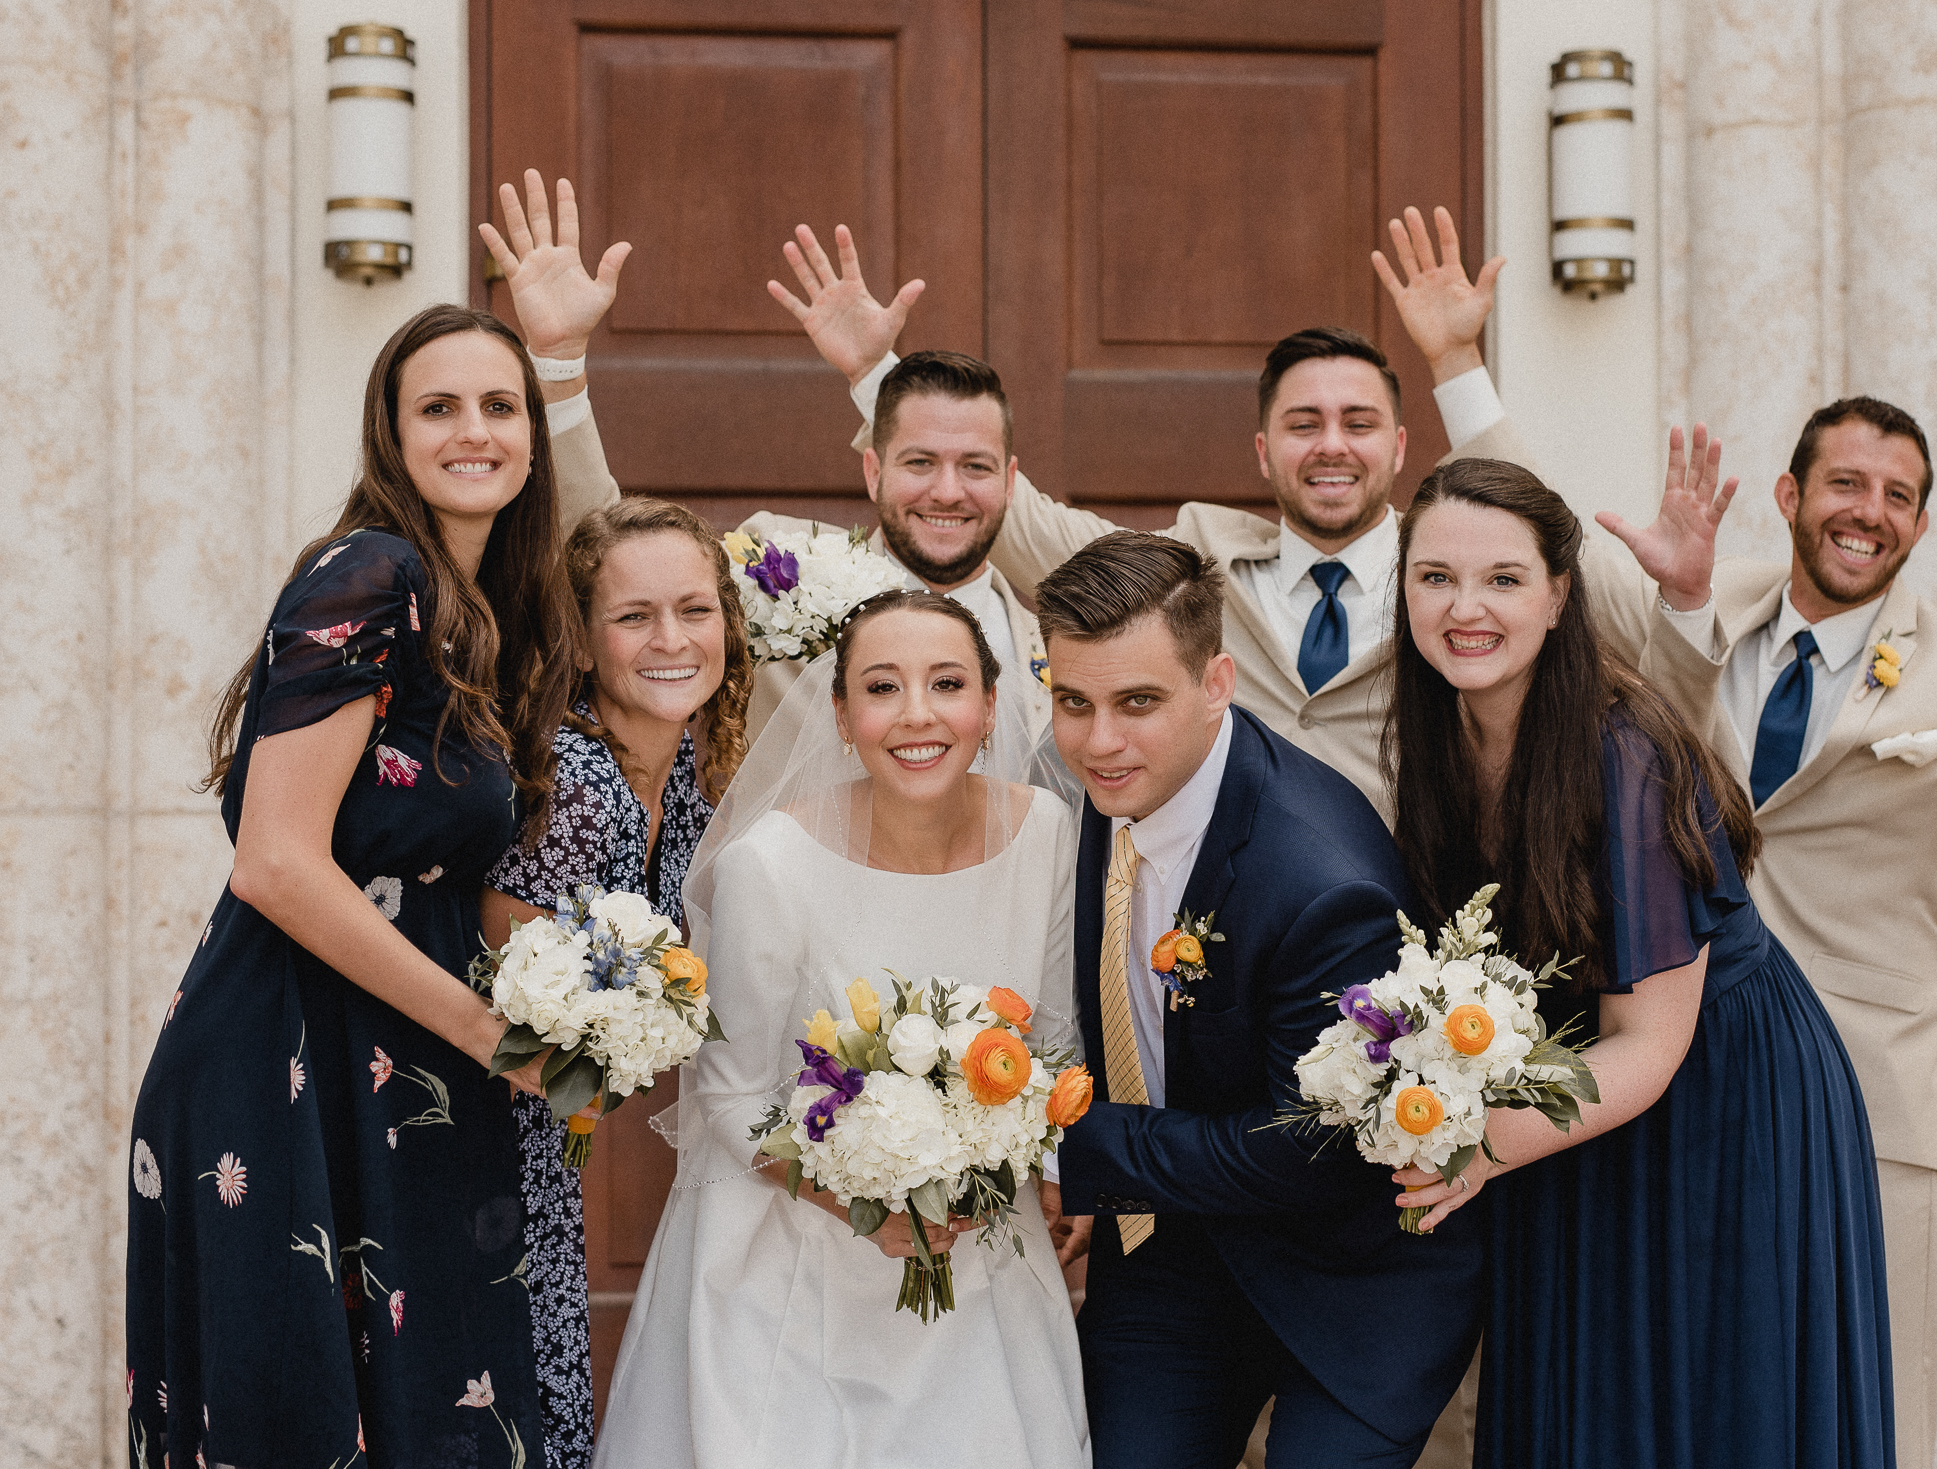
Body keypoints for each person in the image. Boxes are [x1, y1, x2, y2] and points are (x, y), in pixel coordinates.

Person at [1379, 201, 1937, 1469]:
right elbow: (1504, 542)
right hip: (1633, 1069)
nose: (1866, 511)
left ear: (1920, 524)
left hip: (1833, 1085)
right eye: (1844, 485)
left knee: (1829, 1408)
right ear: (1792, 494)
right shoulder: (1683, 599)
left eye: (1898, 496)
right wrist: (1452, 364)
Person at [538, 219, 1722, 825]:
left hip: (1397, 931)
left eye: (1360, 422)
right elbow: (981, 495)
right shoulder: (1186, 558)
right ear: (1262, 451)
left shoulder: (1459, 582)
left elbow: (1598, 605)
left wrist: (1461, 366)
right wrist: (876, 374)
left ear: (1403, 450)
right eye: (1303, 423)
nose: (1331, 444)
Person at [125, 304, 581, 1466]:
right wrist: (488, 1031)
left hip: (401, 1059)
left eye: (499, 405)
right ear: (390, 432)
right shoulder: (370, 572)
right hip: (287, 1054)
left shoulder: (484, 617)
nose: (472, 431)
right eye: (438, 407)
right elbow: (276, 859)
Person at [1387, 458, 1896, 1467]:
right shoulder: (1439, 736)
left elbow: (1652, 1043)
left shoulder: (1624, 753)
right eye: (1435, 576)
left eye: (1501, 578)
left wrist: (1471, 1143)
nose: (1465, 607)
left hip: (1724, 1097)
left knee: (1707, 1407)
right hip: (1582, 1095)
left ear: (1558, 594)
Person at [590, 591, 1087, 1468]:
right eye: (883, 687)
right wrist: (857, 1200)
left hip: (980, 1246)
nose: (918, 715)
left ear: (991, 703)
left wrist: (1043, 1167)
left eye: (946, 683)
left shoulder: (1044, 830)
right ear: (842, 715)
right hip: (792, 1253)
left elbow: (1052, 1042)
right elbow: (731, 1094)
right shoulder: (769, 866)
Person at [1036, 532, 1483, 1469]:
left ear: (1217, 682)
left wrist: (1071, 1148)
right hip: (1175, 1249)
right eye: (1072, 701)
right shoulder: (1110, 781)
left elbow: (1310, 1154)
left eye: (1137, 701)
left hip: (1348, 1280)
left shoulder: (1319, 881)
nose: (1098, 739)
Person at [479, 178, 1052, 741]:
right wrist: (558, 363)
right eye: (920, 463)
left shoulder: (1058, 650)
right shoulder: (775, 565)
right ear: (873, 470)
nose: (947, 490)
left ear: (1009, 480)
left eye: (975, 467)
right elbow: (609, 553)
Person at [478, 495, 752, 1464]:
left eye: (695, 608)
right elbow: (502, 1010)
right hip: (470, 1148)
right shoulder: (570, 782)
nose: (671, 638)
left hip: (546, 1148)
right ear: (583, 646)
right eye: (634, 616)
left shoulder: (689, 779)